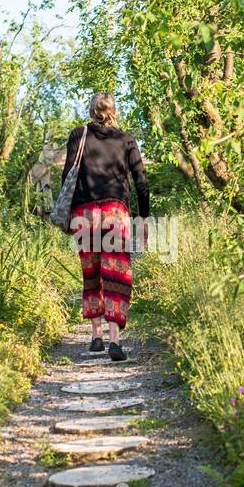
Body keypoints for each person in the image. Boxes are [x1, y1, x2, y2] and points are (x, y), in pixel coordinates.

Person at [62, 92, 149, 361]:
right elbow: (141, 181)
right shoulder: (126, 140)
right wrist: (143, 219)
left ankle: (96, 335)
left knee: (92, 272)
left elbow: (67, 175)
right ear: (114, 111)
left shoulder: (79, 135)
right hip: (115, 212)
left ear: (91, 111)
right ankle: (114, 340)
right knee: (116, 272)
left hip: (84, 213)